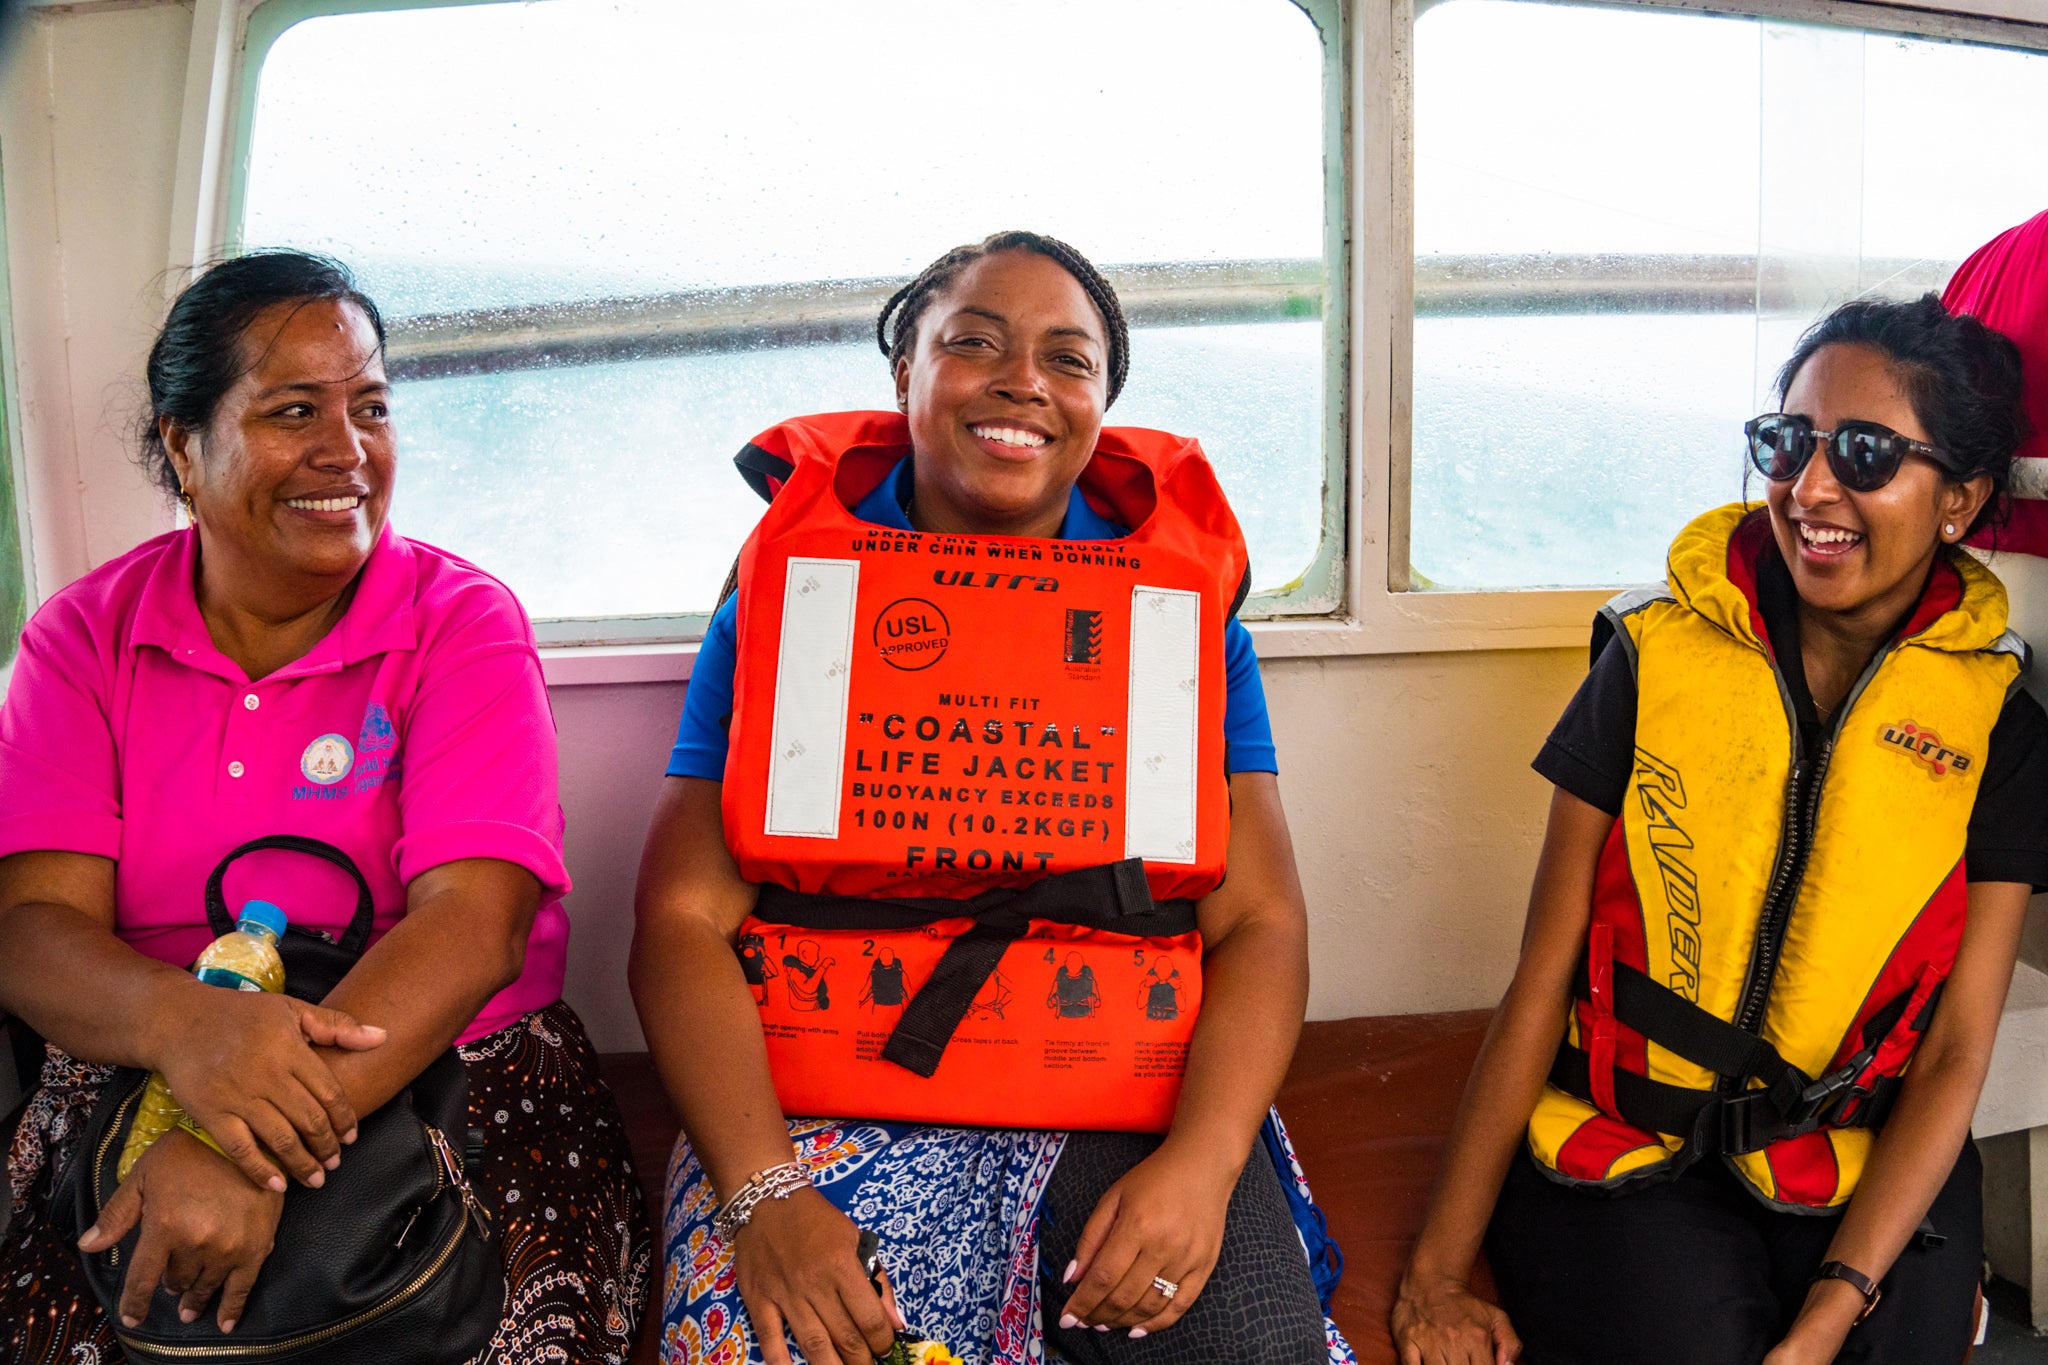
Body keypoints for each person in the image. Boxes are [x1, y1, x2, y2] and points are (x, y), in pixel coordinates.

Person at [633, 231, 1349, 1365]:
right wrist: (763, 1195)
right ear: (902, 376)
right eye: (972, 343)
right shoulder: (788, 608)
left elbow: (1261, 921)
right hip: (820, 1106)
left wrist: (1203, 1165)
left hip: (1117, 1095)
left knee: (1252, 1350)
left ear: (1100, 407)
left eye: (1068, 361)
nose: (1022, 380)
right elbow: (678, 921)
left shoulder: (1181, 627)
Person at [0, 251, 650, 1363]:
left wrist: (238, 1146)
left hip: (444, 1066)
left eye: (371, 408)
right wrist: (186, 1035)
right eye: (293, 411)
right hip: (145, 1052)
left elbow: (472, 929)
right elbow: (32, 931)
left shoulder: (459, 623)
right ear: (180, 444)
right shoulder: (84, 638)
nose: (345, 452)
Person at [1390, 293, 2048, 1365]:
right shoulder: (1650, 658)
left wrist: (1834, 1311)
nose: (1810, 488)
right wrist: (1431, 1275)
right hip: (1626, 1144)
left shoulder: (1994, 728)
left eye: (1867, 453)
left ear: (1959, 502)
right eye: (1786, 442)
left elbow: (1954, 1053)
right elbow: (1541, 976)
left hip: (1860, 1150)